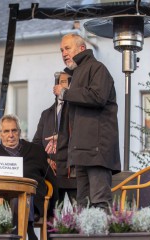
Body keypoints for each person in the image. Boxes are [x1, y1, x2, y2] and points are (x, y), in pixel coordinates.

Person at [53, 33, 121, 210]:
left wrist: (65, 93)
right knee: (83, 205)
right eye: (61, 50)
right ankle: (85, 238)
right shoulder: (76, 74)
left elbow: (98, 97)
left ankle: (102, 238)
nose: (64, 53)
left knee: (99, 202)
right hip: (81, 152)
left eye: (67, 48)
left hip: (96, 151)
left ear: (81, 48)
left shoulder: (97, 68)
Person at [0, 114, 53, 240]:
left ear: (19, 131)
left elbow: (50, 179)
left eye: (14, 130)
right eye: (6, 131)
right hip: (4, 205)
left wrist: (51, 210)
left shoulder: (35, 151)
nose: (11, 135)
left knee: (21, 197)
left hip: (34, 201)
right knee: (15, 198)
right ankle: (32, 239)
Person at [33, 71, 76, 205]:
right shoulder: (46, 114)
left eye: (68, 82)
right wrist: (45, 159)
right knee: (53, 218)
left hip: (72, 173)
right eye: (62, 81)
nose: (65, 85)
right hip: (52, 175)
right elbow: (36, 144)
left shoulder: (78, 111)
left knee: (80, 215)